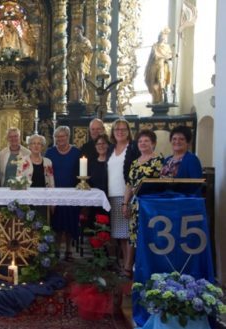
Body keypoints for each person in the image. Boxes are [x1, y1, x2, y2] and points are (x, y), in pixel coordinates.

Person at [122, 130, 164, 269]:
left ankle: (148, 267)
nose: (143, 143)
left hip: (152, 205)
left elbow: (163, 182)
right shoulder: (134, 163)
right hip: (136, 205)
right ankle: (128, 267)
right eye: (140, 141)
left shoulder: (159, 161)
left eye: (146, 141)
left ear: (153, 143)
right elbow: (129, 184)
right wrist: (125, 203)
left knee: (150, 236)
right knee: (133, 236)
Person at [106, 118, 140, 278]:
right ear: (113, 132)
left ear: (128, 132)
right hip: (112, 195)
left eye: (123, 129)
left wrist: (129, 197)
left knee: (128, 234)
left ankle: (128, 267)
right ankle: (126, 265)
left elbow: (134, 174)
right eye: (117, 129)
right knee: (120, 235)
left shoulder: (132, 148)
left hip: (126, 195)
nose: (120, 131)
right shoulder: (111, 149)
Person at [45, 126, 81, 261]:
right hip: (54, 193)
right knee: (57, 224)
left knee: (70, 223)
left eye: (63, 136)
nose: (60, 139)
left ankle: (68, 250)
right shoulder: (50, 152)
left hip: (72, 193)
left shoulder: (76, 152)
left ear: (68, 136)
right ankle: (56, 250)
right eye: (57, 137)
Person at [144, 27, 172, 104]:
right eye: (161, 36)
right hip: (154, 66)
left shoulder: (167, 47)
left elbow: (169, 56)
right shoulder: (155, 46)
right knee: (153, 83)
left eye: (164, 37)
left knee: (161, 81)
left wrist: (166, 57)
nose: (163, 38)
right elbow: (152, 57)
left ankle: (161, 99)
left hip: (162, 66)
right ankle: (155, 99)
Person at [67, 25, 93, 103]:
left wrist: (88, 50)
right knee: (73, 80)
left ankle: (81, 97)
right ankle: (74, 98)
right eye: (75, 31)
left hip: (81, 61)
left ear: (82, 31)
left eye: (77, 31)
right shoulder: (73, 41)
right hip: (72, 62)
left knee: (80, 79)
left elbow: (89, 51)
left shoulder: (86, 41)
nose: (76, 33)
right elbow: (69, 51)